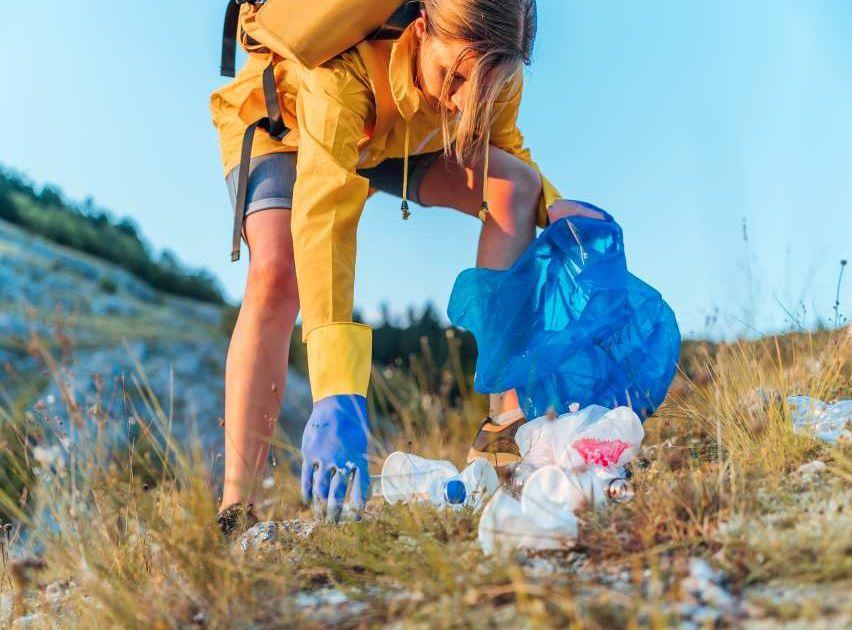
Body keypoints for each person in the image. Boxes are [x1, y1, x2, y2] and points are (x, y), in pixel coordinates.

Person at [210, 0, 598, 525]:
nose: (463, 104)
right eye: (454, 78)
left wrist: (561, 214)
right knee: (279, 273)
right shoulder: (341, 71)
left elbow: (505, 150)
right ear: (420, 30)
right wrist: (337, 389)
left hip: (398, 138)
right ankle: (239, 508)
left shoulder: (490, 67)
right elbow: (325, 219)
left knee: (517, 189)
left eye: (482, 90)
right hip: (289, 118)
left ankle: (505, 435)